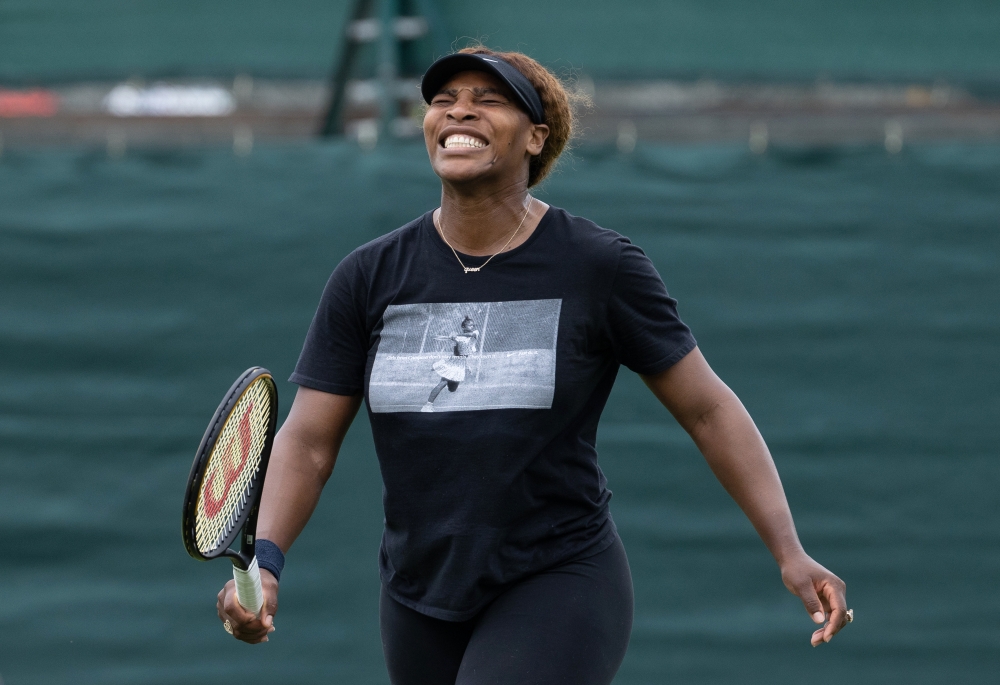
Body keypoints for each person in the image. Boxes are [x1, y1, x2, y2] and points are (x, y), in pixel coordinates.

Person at [216, 47, 851, 684]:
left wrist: (789, 551)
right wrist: (266, 561)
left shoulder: (600, 266)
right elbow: (308, 442)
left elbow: (708, 410)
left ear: (536, 138)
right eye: (443, 100)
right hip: (417, 591)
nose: (459, 112)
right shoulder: (367, 276)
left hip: (559, 576)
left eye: (488, 100)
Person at [423, 315, 479, 412]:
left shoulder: (475, 333)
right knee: (443, 383)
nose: (472, 327)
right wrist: (454, 338)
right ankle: (428, 405)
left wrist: (456, 335)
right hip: (454, 363)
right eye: (470, 325)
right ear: (463, 327)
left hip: (461, 364)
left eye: (473, 325)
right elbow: (457, 352)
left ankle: (442, 369)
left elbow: (469, 335)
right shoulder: (458, 338)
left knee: (452, 389)